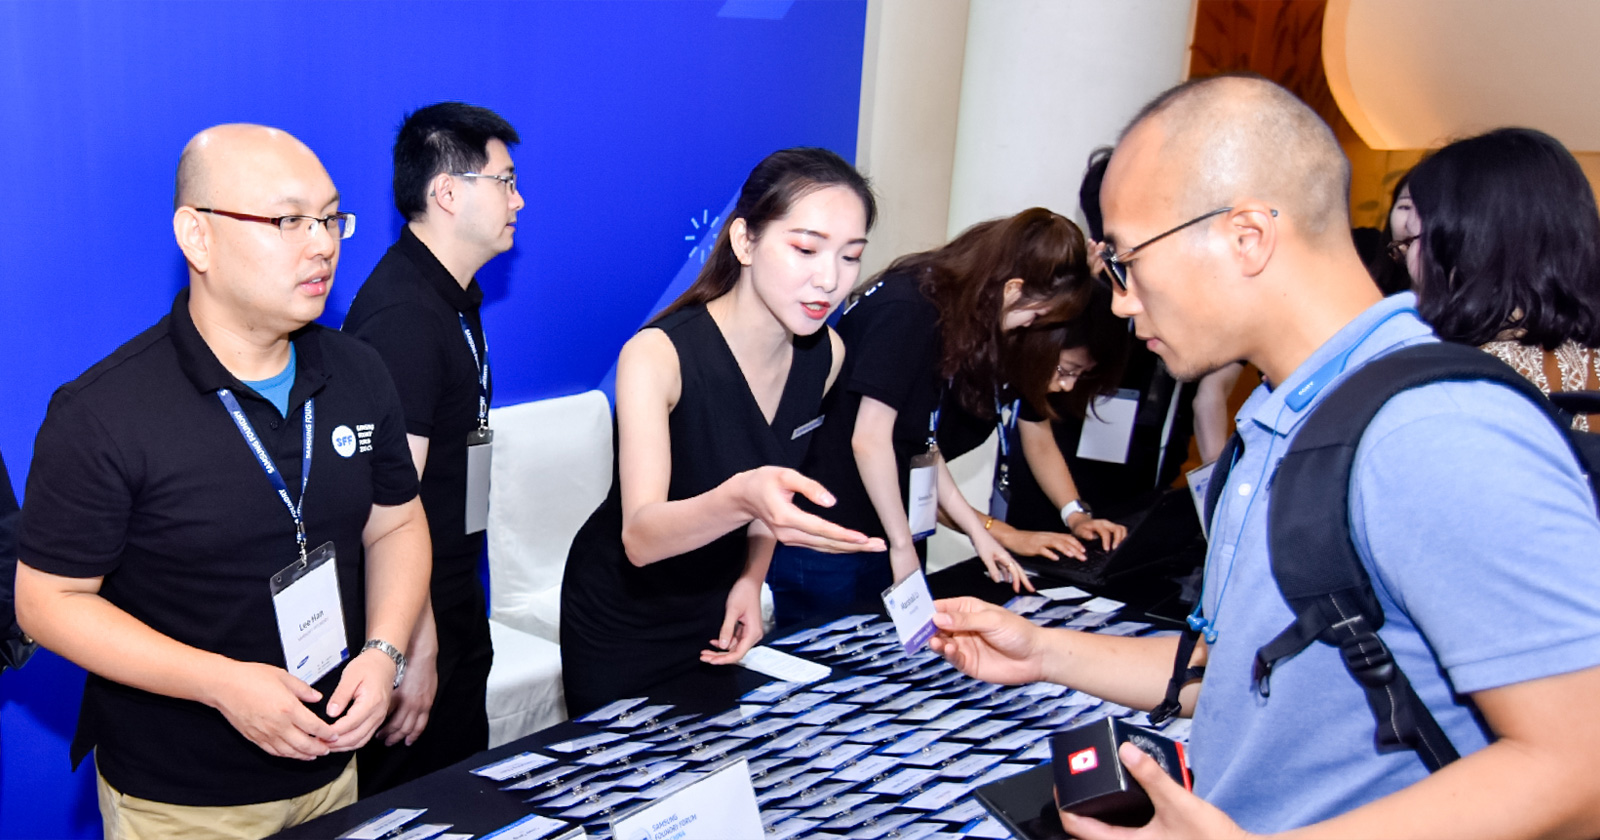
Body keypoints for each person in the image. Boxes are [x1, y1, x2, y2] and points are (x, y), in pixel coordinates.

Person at [928, 76, 1600, 838]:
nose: (1119, 299)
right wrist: (1044, 651)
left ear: (1246, 236)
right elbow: (1242, 671)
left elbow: (1580, 765)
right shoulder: (1285, 416)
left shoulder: (1431, 426)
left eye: (1127, 260)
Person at [14, 124, 430, 839]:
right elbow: (47, 602)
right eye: (288, 220)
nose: (323, 244)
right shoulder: (104, 411)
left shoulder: (359, 371)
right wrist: (220, 684)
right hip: (183, 801)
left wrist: (385, 649)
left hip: (336, 769)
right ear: (197, 237)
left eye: (331, 218)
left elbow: (396, 522)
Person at [559, 147, 886, 717]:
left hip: (715, 601)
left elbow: (771, 485)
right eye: (806, 249)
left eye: (850, 256)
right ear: (745, 242)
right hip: (623, 615)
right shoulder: (658, 355)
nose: (830, 279)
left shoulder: (827, 355)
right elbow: (641, 538)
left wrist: (751, 580)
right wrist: (742, 497)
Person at [768, 208, 1090, 627]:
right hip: (831, 537)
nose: (1030, 326)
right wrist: (901, 546)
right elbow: (869, 439)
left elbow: (923, 443)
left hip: (881, 529)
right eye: (1037, 314)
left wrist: (979, 535)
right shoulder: (909, 308)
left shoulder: (942, 310)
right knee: (825, 656)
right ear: (1013, 290)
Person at [342, 102, 522, 795]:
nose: (518, 200)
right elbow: (390, 510)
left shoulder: (451, 296)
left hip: (452, 588)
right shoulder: (404, 316)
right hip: (417, 611)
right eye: (505, 181)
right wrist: (412, 649)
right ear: (447, 192)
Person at [1404, 127, 1600, 431]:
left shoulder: (1461, 378)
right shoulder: (1585, 354)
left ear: (1467, 241)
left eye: (1414, 239)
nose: (1409, 255)